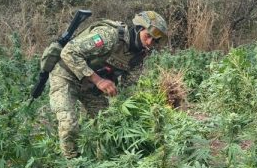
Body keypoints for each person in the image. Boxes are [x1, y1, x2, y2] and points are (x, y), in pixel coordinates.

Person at [48, 11, 168, 158]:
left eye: (154, 40)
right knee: (68, 125)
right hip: (66, 75)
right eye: (147, 36)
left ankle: (99, 158)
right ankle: (73, 165)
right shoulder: (109, 35)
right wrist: (99, 80)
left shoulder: (138, 57)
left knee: (106, 125)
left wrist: (136, 112)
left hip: (90, 87)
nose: (149, 43)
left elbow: (129, 87)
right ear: (138, 29)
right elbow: (68, 52)